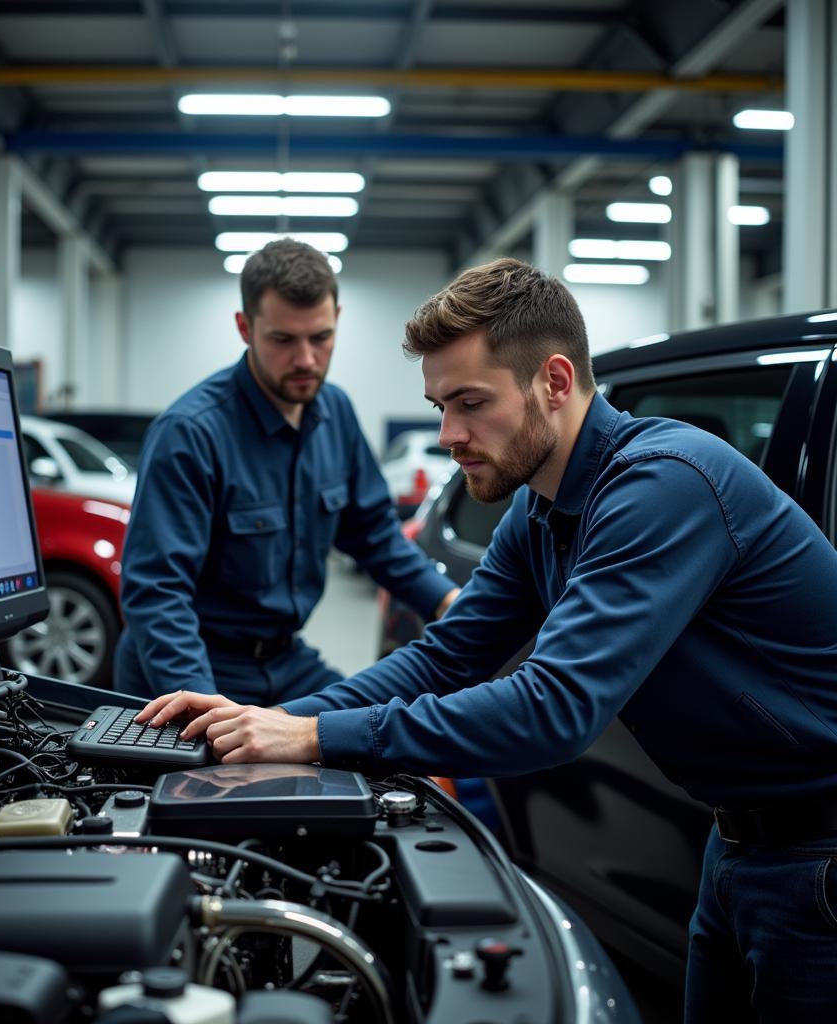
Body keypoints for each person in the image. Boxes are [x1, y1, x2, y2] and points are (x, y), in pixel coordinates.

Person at [137, 257, 837, 1022]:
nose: (448, 436)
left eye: (470, 403)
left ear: (555, 382)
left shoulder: (661, 485)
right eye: (439, 405)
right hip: (734, 843)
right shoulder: (541, 510)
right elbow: (446, 655)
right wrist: (257, 729)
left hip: (818, 857)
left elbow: (553, 708)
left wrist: (311, 732)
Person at [114, 239, 458, 705]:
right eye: (283, 340)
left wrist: (447, 602)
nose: (306, 360)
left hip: (286, 662)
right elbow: (158, 594)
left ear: (337, 317)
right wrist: (201, 704)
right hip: (193, 668)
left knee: (377, 745)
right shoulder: (190, 434)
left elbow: (375, 536)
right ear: (244, 327)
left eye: (320, 337)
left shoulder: (335, 412)